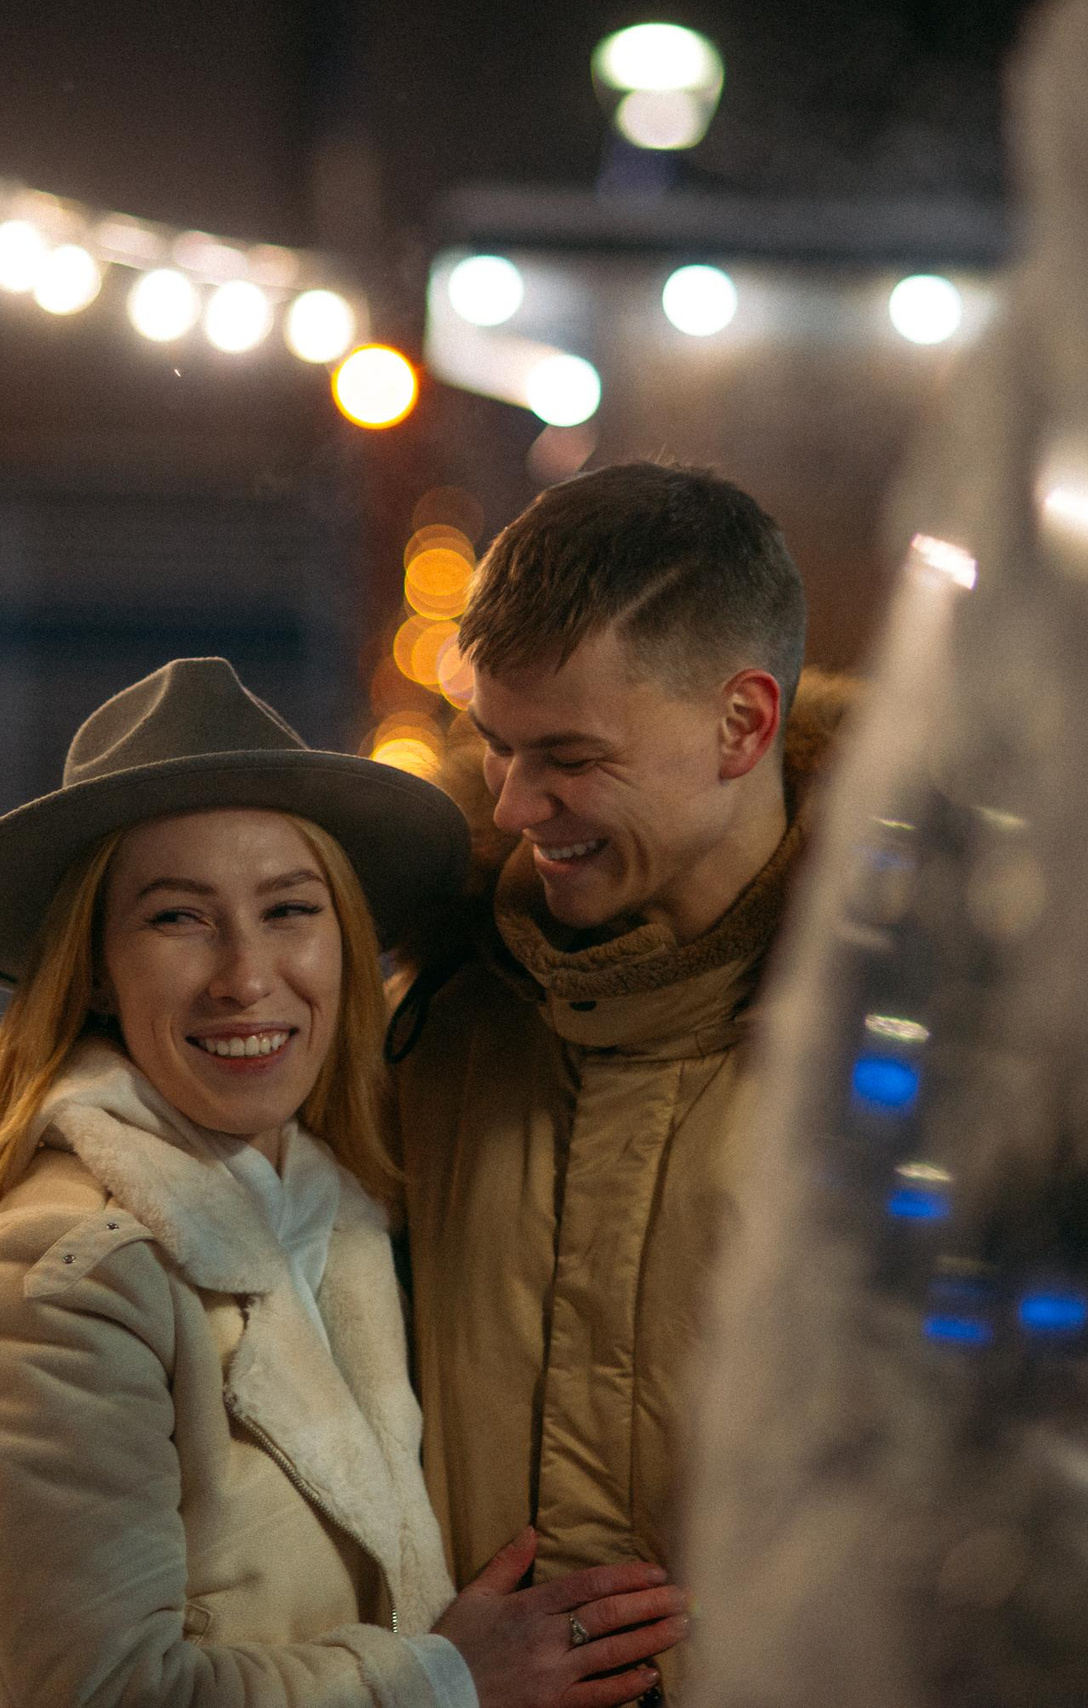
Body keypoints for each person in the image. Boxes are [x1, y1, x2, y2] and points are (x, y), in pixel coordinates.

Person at [0, 656, 692, 1708]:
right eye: (177, 916)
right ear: (90, 968)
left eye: (288, 909)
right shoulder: (70, 1270)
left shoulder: (339, 1206)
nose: (246, 976)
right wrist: (448, 1681)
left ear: (346, 944)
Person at [389, 464, 836, 1704]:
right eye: (495, 745)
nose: (516, 801)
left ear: (741, 725)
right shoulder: (436, 1027)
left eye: (570, 757)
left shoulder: (922, 1062)